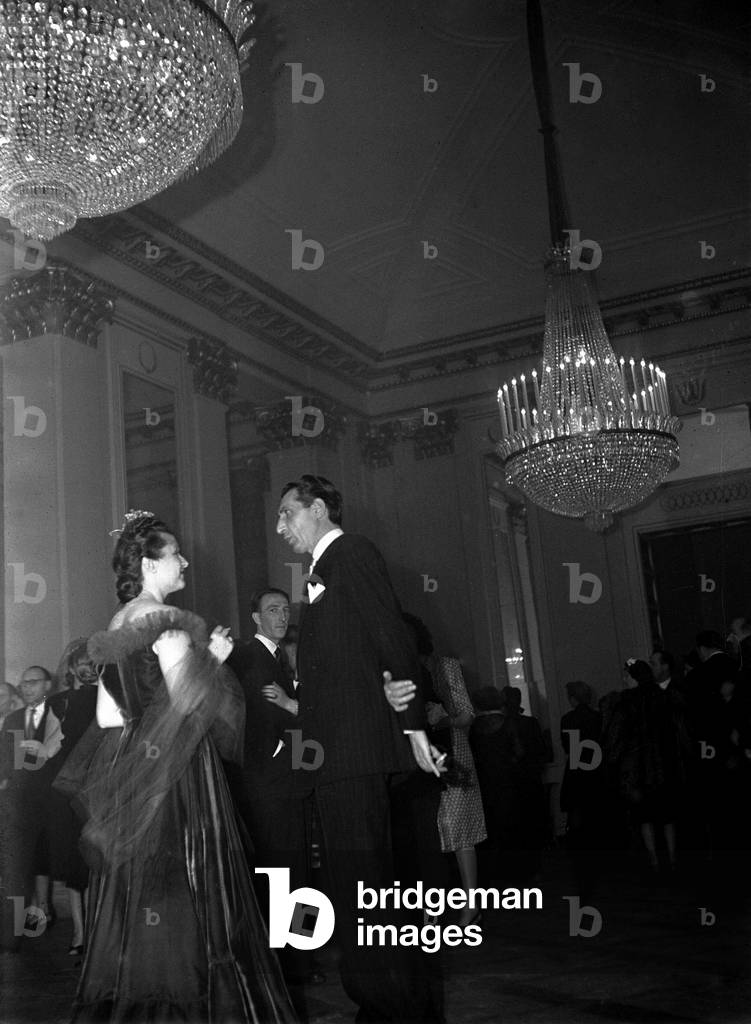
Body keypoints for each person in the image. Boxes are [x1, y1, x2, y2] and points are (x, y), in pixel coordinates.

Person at [58, 511, 296, 1023]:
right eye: (175, 555)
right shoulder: (166, 620)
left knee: (141, 890)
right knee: (189, 887)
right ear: (149, 565)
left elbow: (108, 716)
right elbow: (188, 702)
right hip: (178, 772)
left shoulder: (117, 622)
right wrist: (214, 658)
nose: (185, 561)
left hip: (132, 767)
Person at [276, 474, 445, 1024]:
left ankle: (392, 1009)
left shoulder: (351, 552)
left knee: (364, 888)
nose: (280, 527)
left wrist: (414, 725)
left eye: (287, 513)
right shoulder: (324, 568)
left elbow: (391, 636)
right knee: (358, 889)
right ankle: (384, 1005)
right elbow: (356, 656)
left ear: (318, 509)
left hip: (354, 752)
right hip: (338, 754)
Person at [226, 588, 317, 1013]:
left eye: (284, 610)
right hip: (269, 784)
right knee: (282, 871)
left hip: (284, 781)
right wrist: (299, 717)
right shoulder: (250, 657)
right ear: (255, 618)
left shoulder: (279, 659)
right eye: (272, 610)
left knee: (291, 868)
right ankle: (289, 961)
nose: (281, 616)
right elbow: (262, 722)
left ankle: (297, 957)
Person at [0, 666, 62, 929]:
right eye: (23, 684)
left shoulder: (58, 714)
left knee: (43, 855)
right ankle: (31, 912)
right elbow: (5, 757)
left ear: (47, 685)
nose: (27, 688)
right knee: (22, 857)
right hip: (18, 799)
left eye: (33, 682)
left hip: (49, 797)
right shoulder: (14, 719)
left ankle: (44, 907)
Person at [48, 638, 99, 955]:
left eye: (93, 662)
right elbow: (51, 747)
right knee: (73, 863)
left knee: (95, 861)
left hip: (99, 786)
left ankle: (96, 932)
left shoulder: (109, 696)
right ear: (71, 667)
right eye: (82, 663)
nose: (88, 668)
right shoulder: (59, 703)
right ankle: (80, 933)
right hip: (68, 789)